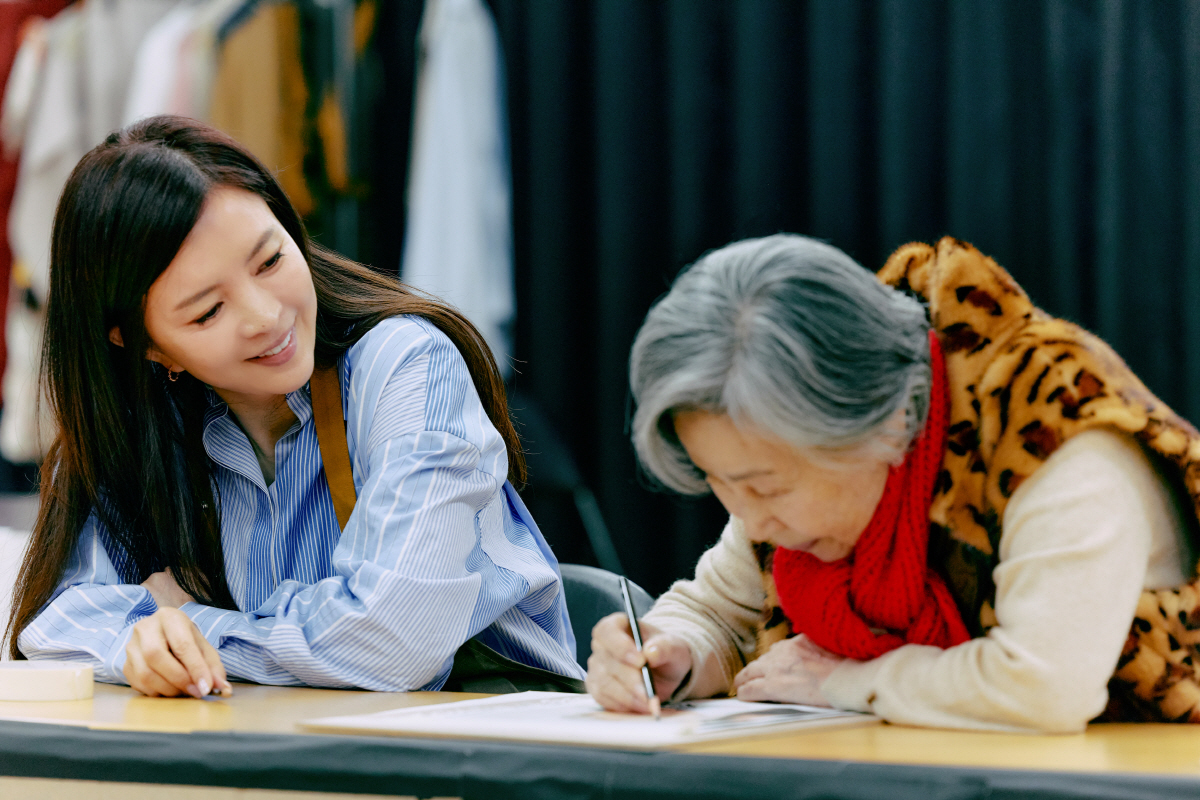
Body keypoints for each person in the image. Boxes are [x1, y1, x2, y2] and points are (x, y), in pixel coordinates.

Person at [5, 116, 585, 697]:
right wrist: (144, 644)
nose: (265, 317)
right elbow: (55, 618)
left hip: (486, 739)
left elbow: (393, 642)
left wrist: (192, 625)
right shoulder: (142, 424)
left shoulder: (404, 365)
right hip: (294, 738)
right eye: (208, 312)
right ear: (143, 344)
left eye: (270, 261)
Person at [587, 234, 1200, 732]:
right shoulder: (801, 474)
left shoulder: (1052, 432)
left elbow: (1043, 686)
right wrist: (669, 654)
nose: (751, 519)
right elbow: (718, 613)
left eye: (767, 488)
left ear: (882, 424)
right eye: (720, 481)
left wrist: (845, 682)